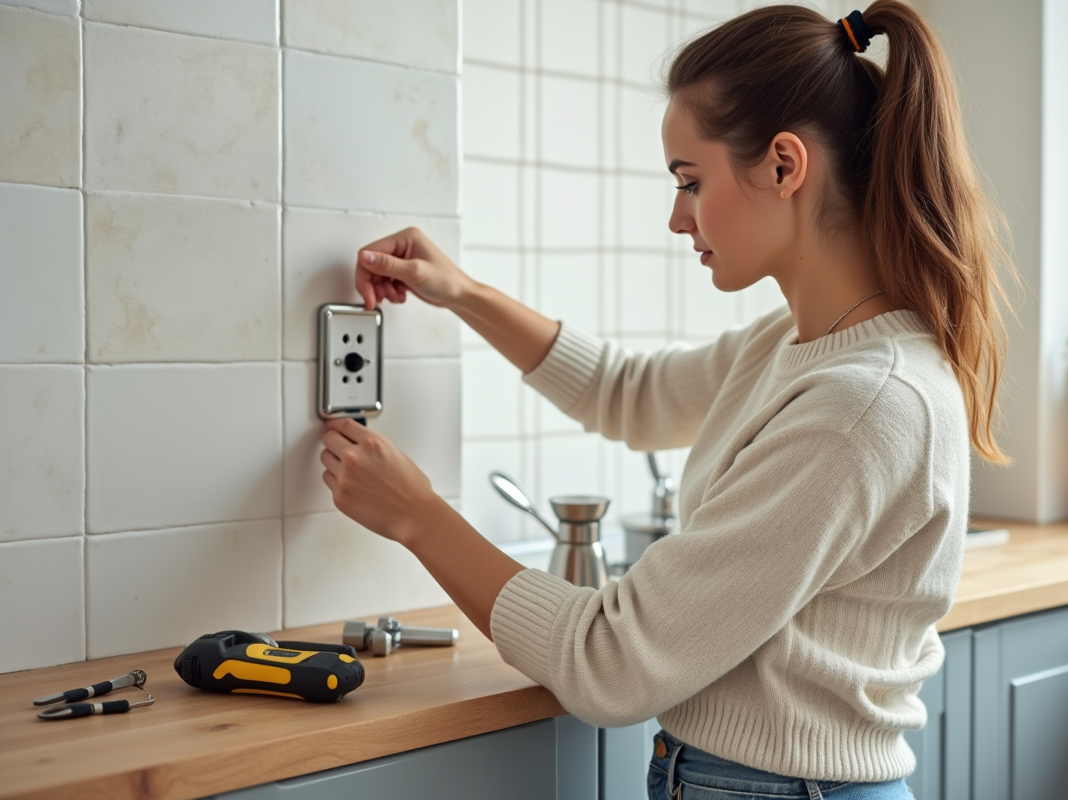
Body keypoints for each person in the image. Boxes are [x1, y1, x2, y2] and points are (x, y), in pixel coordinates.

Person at [319, 2, 1011, 798]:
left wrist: (417, 516)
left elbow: (611, 663)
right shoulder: (791, 345)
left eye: (691, 181)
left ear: (786, 166)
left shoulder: (860, 407)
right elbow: (630, 396)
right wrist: (463, 294)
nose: (677, 217)